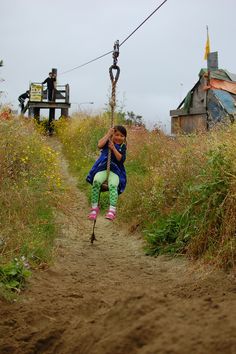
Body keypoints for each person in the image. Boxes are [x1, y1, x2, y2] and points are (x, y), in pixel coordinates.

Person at [86, 125, 127, 221]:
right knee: (96, 181)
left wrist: (113, 148)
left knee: (113, 185)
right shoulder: (108, 141)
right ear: (113, 135)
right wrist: (108, 134)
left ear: (124, 138)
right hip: (103, 168)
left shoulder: (123, 146)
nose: (119, 137)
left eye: (122, 136)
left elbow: (120, 159)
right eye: (116, 135)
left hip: (116, 171)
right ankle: (94, 208)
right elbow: (99, 145)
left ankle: (112, 210)